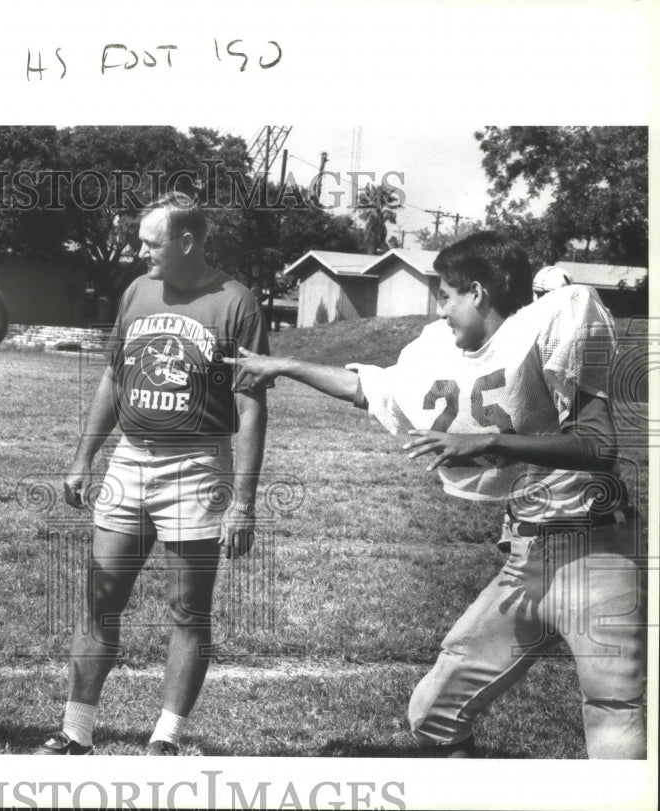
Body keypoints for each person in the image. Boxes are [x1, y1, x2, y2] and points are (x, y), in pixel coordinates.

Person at [226, 231, 645, 758]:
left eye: (445, 296)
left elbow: (599, 445)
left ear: (477, 293)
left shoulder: (557, 319)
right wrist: (284, 366)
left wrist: (488, 439)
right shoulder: (451, 351)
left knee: (614, 713)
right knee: (434, 714)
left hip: (595, 550)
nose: (440, 311)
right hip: (527, 556)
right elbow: (372, 388)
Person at [38, 192, 270, 755]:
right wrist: (83, 457)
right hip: (130, 458)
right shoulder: (138, 292)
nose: (140, 251)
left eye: (151, 242)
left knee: (186, 607)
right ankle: (76, 730)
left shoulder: (236, 303)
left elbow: (251, 408)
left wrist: (242, 502)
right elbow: (113, 380)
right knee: (101, 595)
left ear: (186, 242)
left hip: (196, 465)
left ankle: (165, 737)